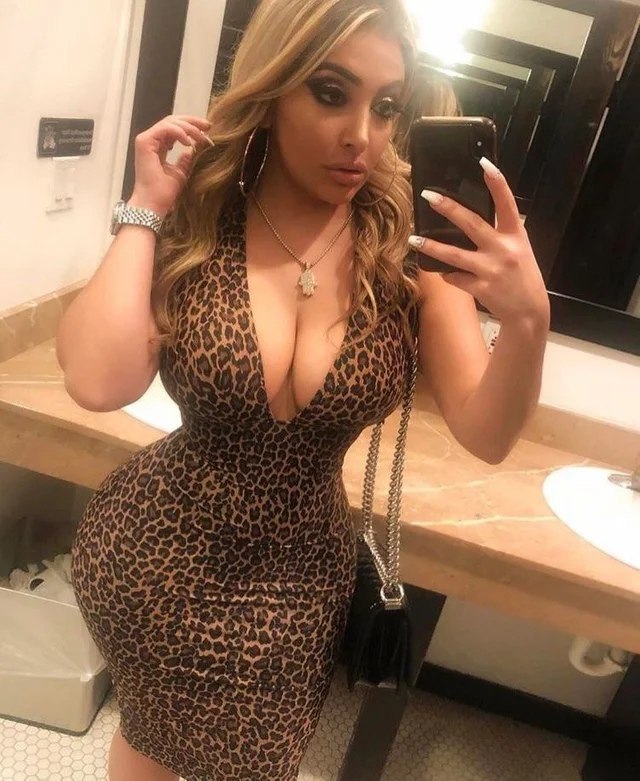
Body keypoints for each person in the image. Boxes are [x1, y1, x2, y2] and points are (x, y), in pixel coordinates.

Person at [56, 0, 550, 778]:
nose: (362, 134)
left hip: (297, 584)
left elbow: (487, 432)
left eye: (386, 106)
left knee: (262, 759)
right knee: (148, 739)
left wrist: (527, 322)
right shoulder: (204, 209)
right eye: (330, 92)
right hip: (154, 554)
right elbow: (96, 379)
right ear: (275, 86)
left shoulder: (408, 252)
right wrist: (145, 207)